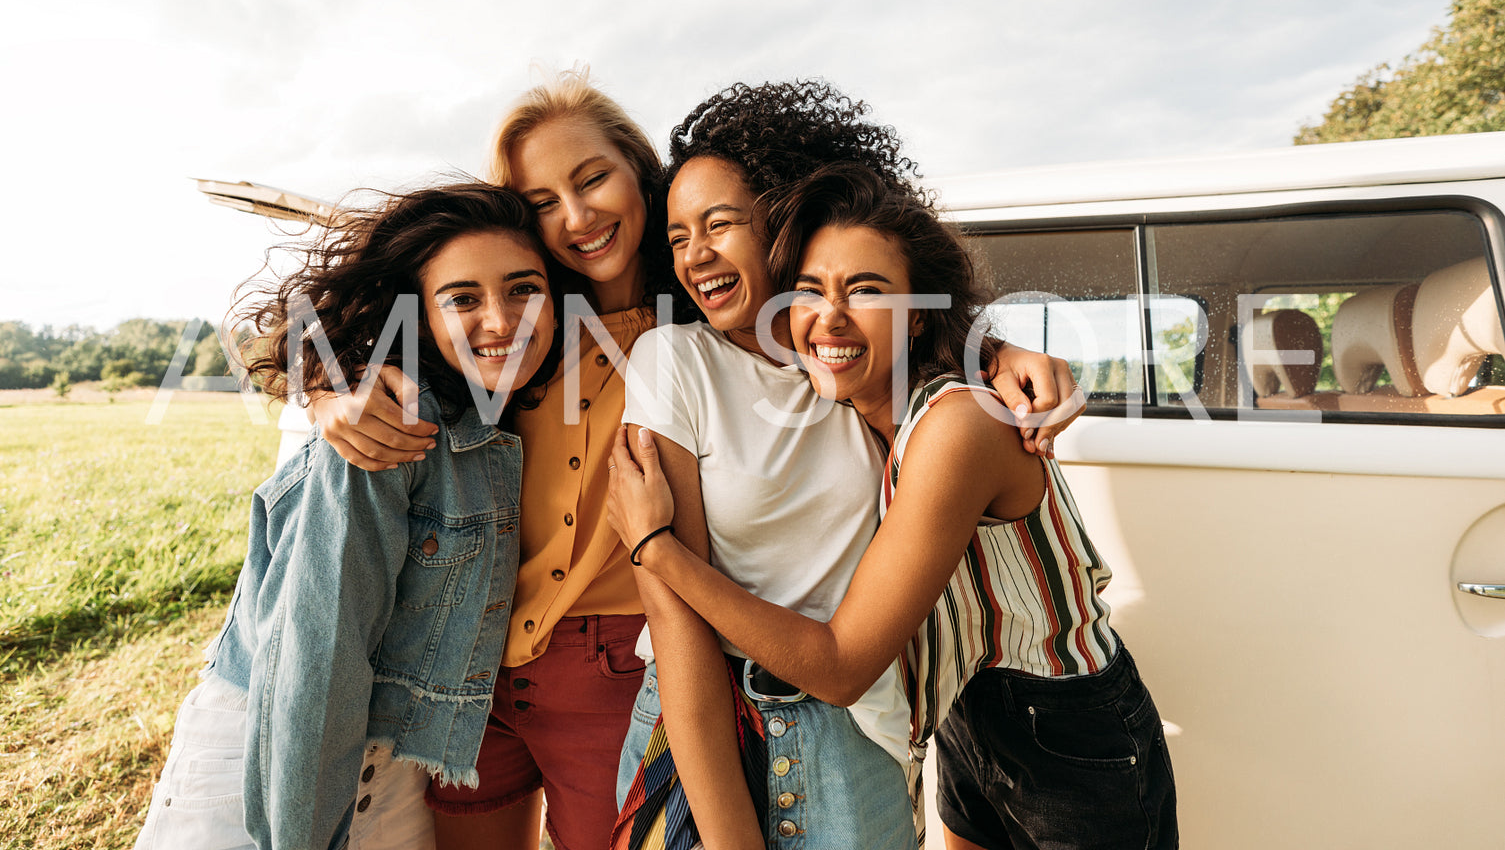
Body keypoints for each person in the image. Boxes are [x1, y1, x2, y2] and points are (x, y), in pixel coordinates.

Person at [307, 73, 1081, 850]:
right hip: (480, 656)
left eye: (593, 178)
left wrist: (991, 347)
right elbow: (394, 324)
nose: (575, 217)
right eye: (541, 201)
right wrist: (322, 388)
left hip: (625, 664)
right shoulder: (525, 315)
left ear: (641, 178)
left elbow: (869, 311)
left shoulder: (713, 325)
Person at [610, 163, 1178, 850]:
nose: (828, 315)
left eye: (866, 290)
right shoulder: (848, 400)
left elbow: (842, 666)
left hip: (1062, 723)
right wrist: (995, 348)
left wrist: (657, 550)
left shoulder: (956, 425)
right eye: (810, 291)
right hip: (964, 710)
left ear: (918, 316)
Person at [133, 182, 564, 850]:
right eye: (462, 299)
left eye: (522, 289)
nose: (502, 320)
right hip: (273, 763)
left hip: (388, 770)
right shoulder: (385, 431)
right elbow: (312, 670)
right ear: (419, 316)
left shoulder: (491, 420)